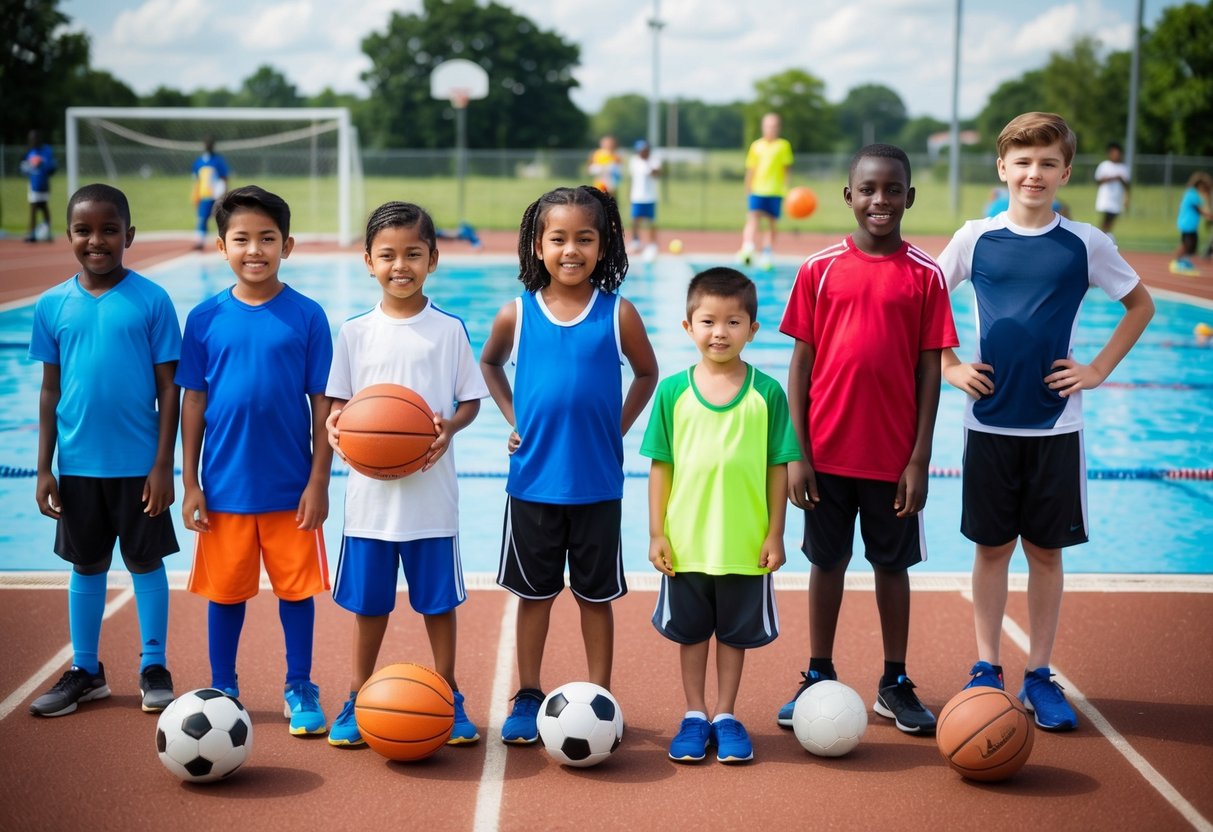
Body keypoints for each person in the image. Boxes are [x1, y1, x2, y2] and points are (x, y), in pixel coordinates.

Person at [938, 112, 1154, 731]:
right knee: (990, 549)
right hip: (988, 427)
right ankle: (986, 666)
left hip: (1057, 429)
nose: (1035, 173)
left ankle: (1038, 673)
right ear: (1003, 168)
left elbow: (1140, 304)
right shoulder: (975, 238)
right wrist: (951, 365)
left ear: (1065, 172)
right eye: (1023, 162)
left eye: (1048, 163)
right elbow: (924, 296)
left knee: (1047, 554)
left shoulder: (1084, 242)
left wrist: (1099, 369)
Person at [777, 144, 958, 736]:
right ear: (849, 196)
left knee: (892, 566)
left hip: (893, 458)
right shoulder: (819, 268)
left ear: (910, 196)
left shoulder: (926, 275)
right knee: (826, 563)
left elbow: (931, 370)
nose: (881, 199)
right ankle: (818, 673)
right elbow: (799, 368)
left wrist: (920, 457)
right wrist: (797, 453)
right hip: (825, 453)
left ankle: (894, 682)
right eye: (869, 189)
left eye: (893, 189)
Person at [480, 185, 658, 745]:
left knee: (594, 597)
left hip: (597, 487)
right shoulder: (517, 313)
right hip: (532, 483)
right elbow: (488, 363)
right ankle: (528, 690)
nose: (571, 250)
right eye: (558, 238)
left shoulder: (618, 313)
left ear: (604, 247)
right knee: (533, 597)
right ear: (537, 246)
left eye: (585, 238)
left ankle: (599, 694)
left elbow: (647, 373)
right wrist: (513, 417)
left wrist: (620, 426)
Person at [324, 202, 490, 747]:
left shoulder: (447, 329)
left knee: (438, 606)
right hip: (369, 505)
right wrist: (334, 426)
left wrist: (449, 429)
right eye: (388, 255)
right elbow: (338, 406)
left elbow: (469, 401)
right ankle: (355, 694)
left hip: (431, 501)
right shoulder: (353, 332)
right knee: (369, 607)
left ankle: (448, 692)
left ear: (433, 260)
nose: (401, 265)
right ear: (368, 261)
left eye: (413, 254)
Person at [177, 185, 335, 736]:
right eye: (241, 239)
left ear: (286, 245)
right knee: (225, 594)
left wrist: (319, 480)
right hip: (222, 489)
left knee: (296, 593)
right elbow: (191, 400)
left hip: (290, 488)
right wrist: (190, 481)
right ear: (222, 247)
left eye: (267, 238)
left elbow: (323, 407)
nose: (254, 249)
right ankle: (224, 685)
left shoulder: (307, 316)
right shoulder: (203, 318)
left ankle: (299, 684)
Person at [27, 183, 180, 717]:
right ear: (69, 236)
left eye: (109, 229)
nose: (97, 240)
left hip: (140, 468)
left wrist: (165, 464)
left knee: (145, 560)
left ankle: (154, 665)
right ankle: (86, 670)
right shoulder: (52, 306)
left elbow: (169, 389)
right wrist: (44, 467)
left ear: (129, 236)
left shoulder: (152, 301)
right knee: (86, 565)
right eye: (84, 230)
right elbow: (50, 390)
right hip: (77, 467)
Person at [643, 267, 800, 764]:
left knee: (733, 637)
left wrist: (776, 532)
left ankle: (727, 714)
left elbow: (779, 468)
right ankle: (694, 713)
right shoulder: (672, 392)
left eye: (734, 322)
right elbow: (659, 468)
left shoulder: (767, 393)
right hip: (686, 545)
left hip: (744, 544)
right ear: (688, 327)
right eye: (708, 321)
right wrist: (656, 534)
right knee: (691, 635)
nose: (720, 332)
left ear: (753, 329)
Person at [737, 113, 794, 271]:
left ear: (779, 128)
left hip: (775, 191)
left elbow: (786, 169)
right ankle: (748, 248)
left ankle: (767, 253)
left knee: (771, 222)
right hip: (757, 189)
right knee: (753, 218)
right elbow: (751, 168)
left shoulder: (783, 145)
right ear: (763, 127)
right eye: (769, 125)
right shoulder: (756, 146)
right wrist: (747, 186)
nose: (771, 129)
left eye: (774, 126)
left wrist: (787, 189)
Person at [1169, 172, 1213, 276]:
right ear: (1199, 185)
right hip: (1187, 223)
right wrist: (1209, 216)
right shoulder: (1193, 194)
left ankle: (1180, 261)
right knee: (1188, 244)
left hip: (1189, 223)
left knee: (1188, 244)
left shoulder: (1191, 193)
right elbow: (1200, 210)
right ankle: (1180, 262)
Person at [191, 138, 229, 250]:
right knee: (202, 219)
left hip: (216, 196)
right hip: (204, 196)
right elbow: (197, 181)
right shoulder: (199, 162)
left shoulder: (218, 161)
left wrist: (224, 194)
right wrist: (195, 195)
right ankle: (200, 241)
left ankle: (225, 241)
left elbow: (224, 178)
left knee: (220, 218)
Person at [629, 139, 662, 262]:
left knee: (651, 221)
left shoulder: (654, 160)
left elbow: (657, 174)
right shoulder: (634, 161)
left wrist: (650, 165)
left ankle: (652, 244)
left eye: (644, 150)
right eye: (640, 150)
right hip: (637, 196)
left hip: (650, 196)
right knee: (635, 220)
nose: (642, 152)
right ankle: (635, 242)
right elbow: (633, 178)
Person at [21, 130, 57, 243]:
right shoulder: (29, 151)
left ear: (39, 138)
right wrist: (26, 169)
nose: (32, 141)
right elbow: (24, 167)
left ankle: (48, 232)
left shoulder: (47, 150)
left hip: (44, 183)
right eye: (30, 139)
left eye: (34, 138)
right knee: (33, 207)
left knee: (44, 207)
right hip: (33, 184)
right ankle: (32, 234)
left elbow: (52, 167)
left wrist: (43, 165)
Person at [1093, 142, 1130, 238]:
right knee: (1106, 219)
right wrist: (1112, 178)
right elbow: (1098, 180)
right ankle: (1101, 238)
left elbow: (1127, 185)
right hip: (1106, 199)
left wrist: (1127, 199)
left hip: (1116, 199)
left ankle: (1103, 237)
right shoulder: (1104, 165)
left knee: (1111, 221)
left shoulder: (1123, 168)